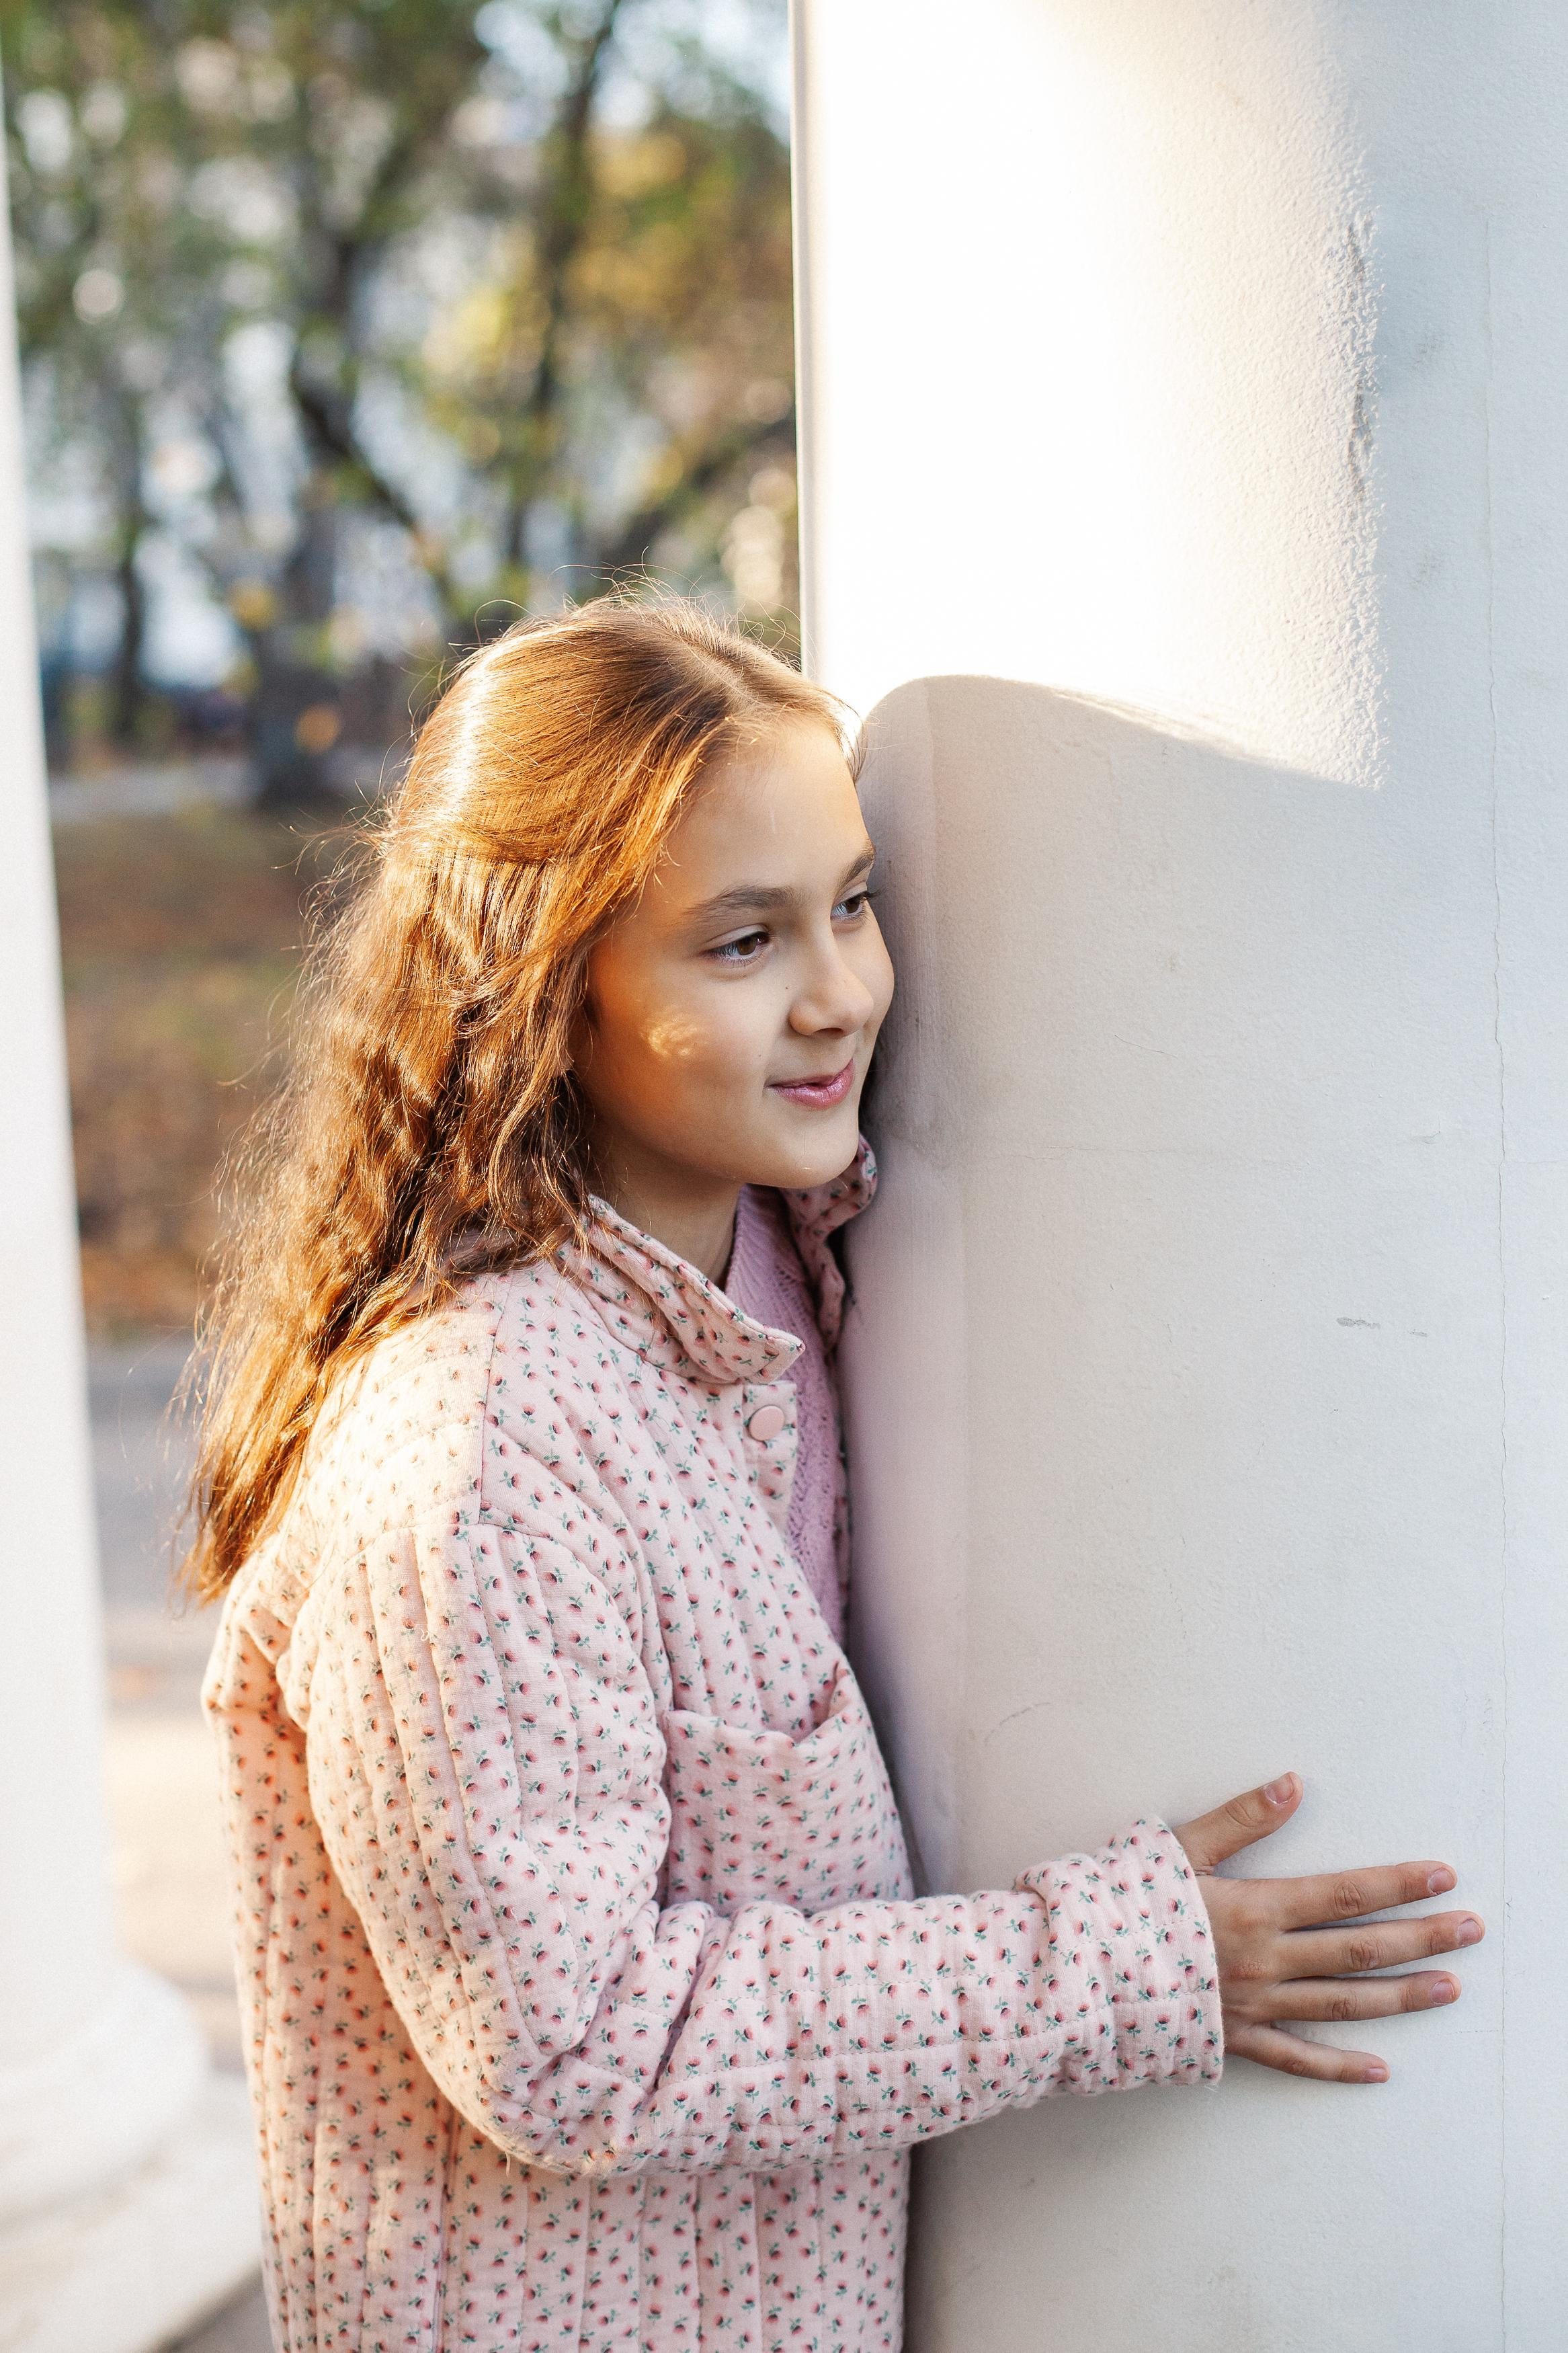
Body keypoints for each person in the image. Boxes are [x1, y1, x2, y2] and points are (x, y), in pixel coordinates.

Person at [191, 600, 1481, 2352]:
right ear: (544, 984)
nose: (844, 994)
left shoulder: (794, 1265)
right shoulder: (478, 1451)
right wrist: (1115, 1964)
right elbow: (573, 2047)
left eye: (854, 901)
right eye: (743, 940)